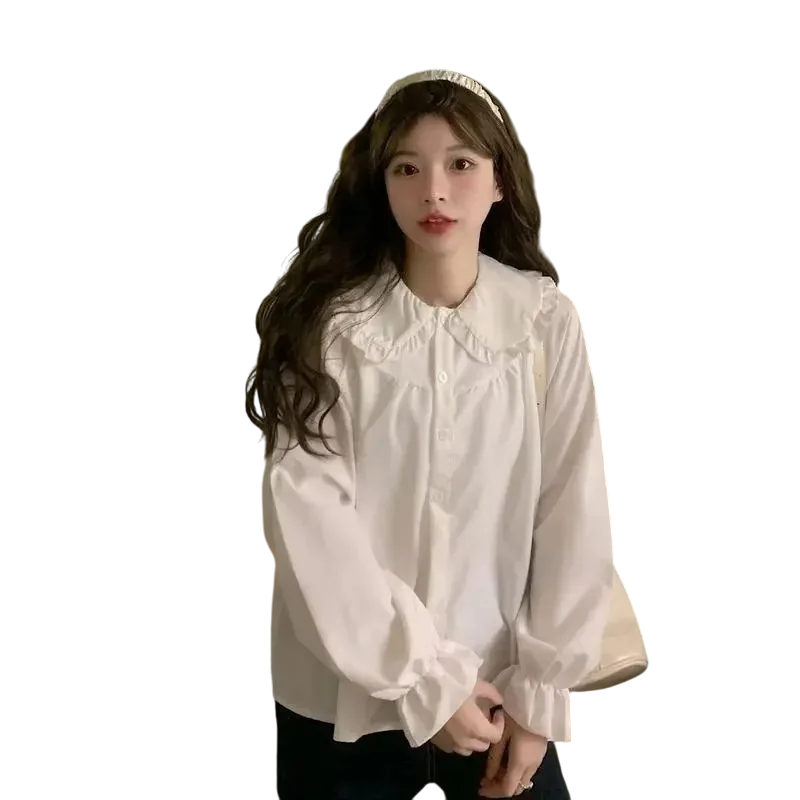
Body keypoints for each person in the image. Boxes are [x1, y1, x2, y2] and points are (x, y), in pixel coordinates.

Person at [246, 68, 614, 800]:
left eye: (461, 164)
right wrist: (423, 680)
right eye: (407, 168)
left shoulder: (544, 323)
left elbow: (572, 510)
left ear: (500, 180)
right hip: (343, 699)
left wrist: (541, 698)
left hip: (498, 692)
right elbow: (310, 520)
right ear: (381, 185)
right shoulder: (330, 331)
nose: (434, 192)